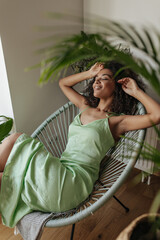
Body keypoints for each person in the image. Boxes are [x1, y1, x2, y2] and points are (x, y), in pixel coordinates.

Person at [0, 61, 160, 228]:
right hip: (59, 170)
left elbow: (157, 115)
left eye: (104, 78)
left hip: (72, 183)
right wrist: (90, 73)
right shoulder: (84, 106)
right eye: (95, 79)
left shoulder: (117, 121)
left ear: (117, 86)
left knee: (16, 139)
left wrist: (136, 91)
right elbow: (63, 84)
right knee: (3, 178)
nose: (96, 82)